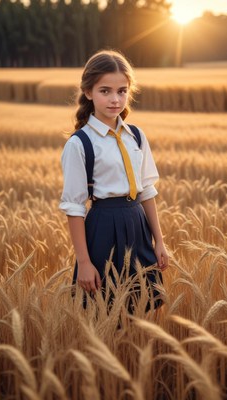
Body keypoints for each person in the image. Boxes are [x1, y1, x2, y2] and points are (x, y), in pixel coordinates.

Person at [59, 49, 168, 310]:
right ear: (88, 92)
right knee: (105, 308)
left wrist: (159, 240)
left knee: (144, 305)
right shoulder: (79, 143)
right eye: (105, 91)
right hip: (103, 227)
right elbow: (74, 208)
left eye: (122, 91)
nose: (115, 99)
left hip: (138, 225)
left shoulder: (137, 136)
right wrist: (84, 262)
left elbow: (147, 191)